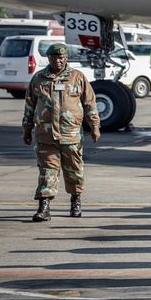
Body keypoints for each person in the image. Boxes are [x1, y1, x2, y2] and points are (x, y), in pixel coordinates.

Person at [23, 43, 101, 221]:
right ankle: (44, 207)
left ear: (66, 58)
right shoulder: (39, 79)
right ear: (48, 58)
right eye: (53, 58)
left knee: (74, 169)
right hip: (45, 135)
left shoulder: (77, 77)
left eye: (61, 58)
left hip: (70, 135)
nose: (57, 61)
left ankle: (75, 201)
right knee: (47, 170)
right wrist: (27, 129)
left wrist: (95, 126)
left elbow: (90, 103)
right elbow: (29, 106)